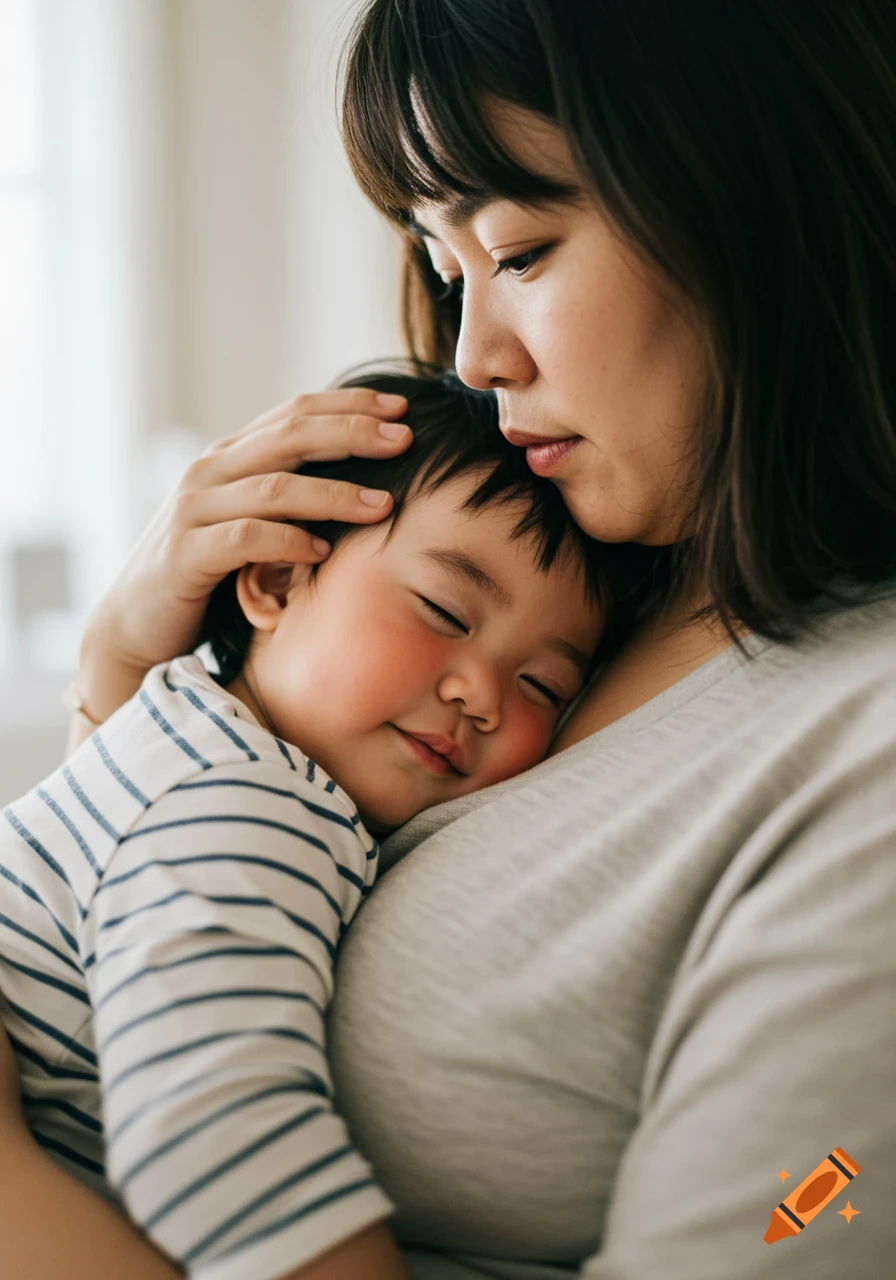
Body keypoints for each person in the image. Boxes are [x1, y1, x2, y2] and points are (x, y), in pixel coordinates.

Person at [2, 1, 895, 1278]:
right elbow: (121, 950)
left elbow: (818, 1202)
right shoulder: (606, 573)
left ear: (760, 202)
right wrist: (124, 674)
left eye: (521, 249)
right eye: (442, 266)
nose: (476, 356)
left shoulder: (856, 753)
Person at [0, 371, 608, 1280]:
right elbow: (214, 1143)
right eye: (444, 612)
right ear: (278, 578)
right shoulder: (244, 806)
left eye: (543, 686)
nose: (481, 693)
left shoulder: (187, 737)